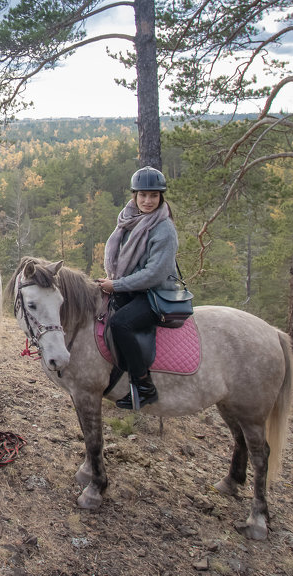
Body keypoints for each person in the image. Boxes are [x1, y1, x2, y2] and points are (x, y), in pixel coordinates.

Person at [97, 166, 179, 409]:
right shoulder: (128, 219)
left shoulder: (164, 229)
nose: (147, 200)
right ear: (135, 196)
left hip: (155, 293)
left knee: (120, 323)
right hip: (130, 288)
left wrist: (117, 285)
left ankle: (144, 387)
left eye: (153, 196)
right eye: (142, 195)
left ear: (160, 197)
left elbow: (155, 274)